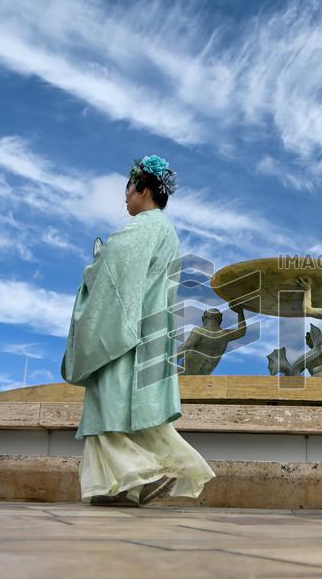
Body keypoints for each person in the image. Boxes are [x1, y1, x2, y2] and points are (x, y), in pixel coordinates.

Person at [62, 155, 214, 506]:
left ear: (142, 189)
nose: (126, 198)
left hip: (127, 336)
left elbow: (114, 278)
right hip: (152, 330)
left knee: (109, 409)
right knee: (135, 418)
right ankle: (120, 489)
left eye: (128, 190)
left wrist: (96, 264)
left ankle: (148, 470)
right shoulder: (166, 232)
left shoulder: (143, 227)